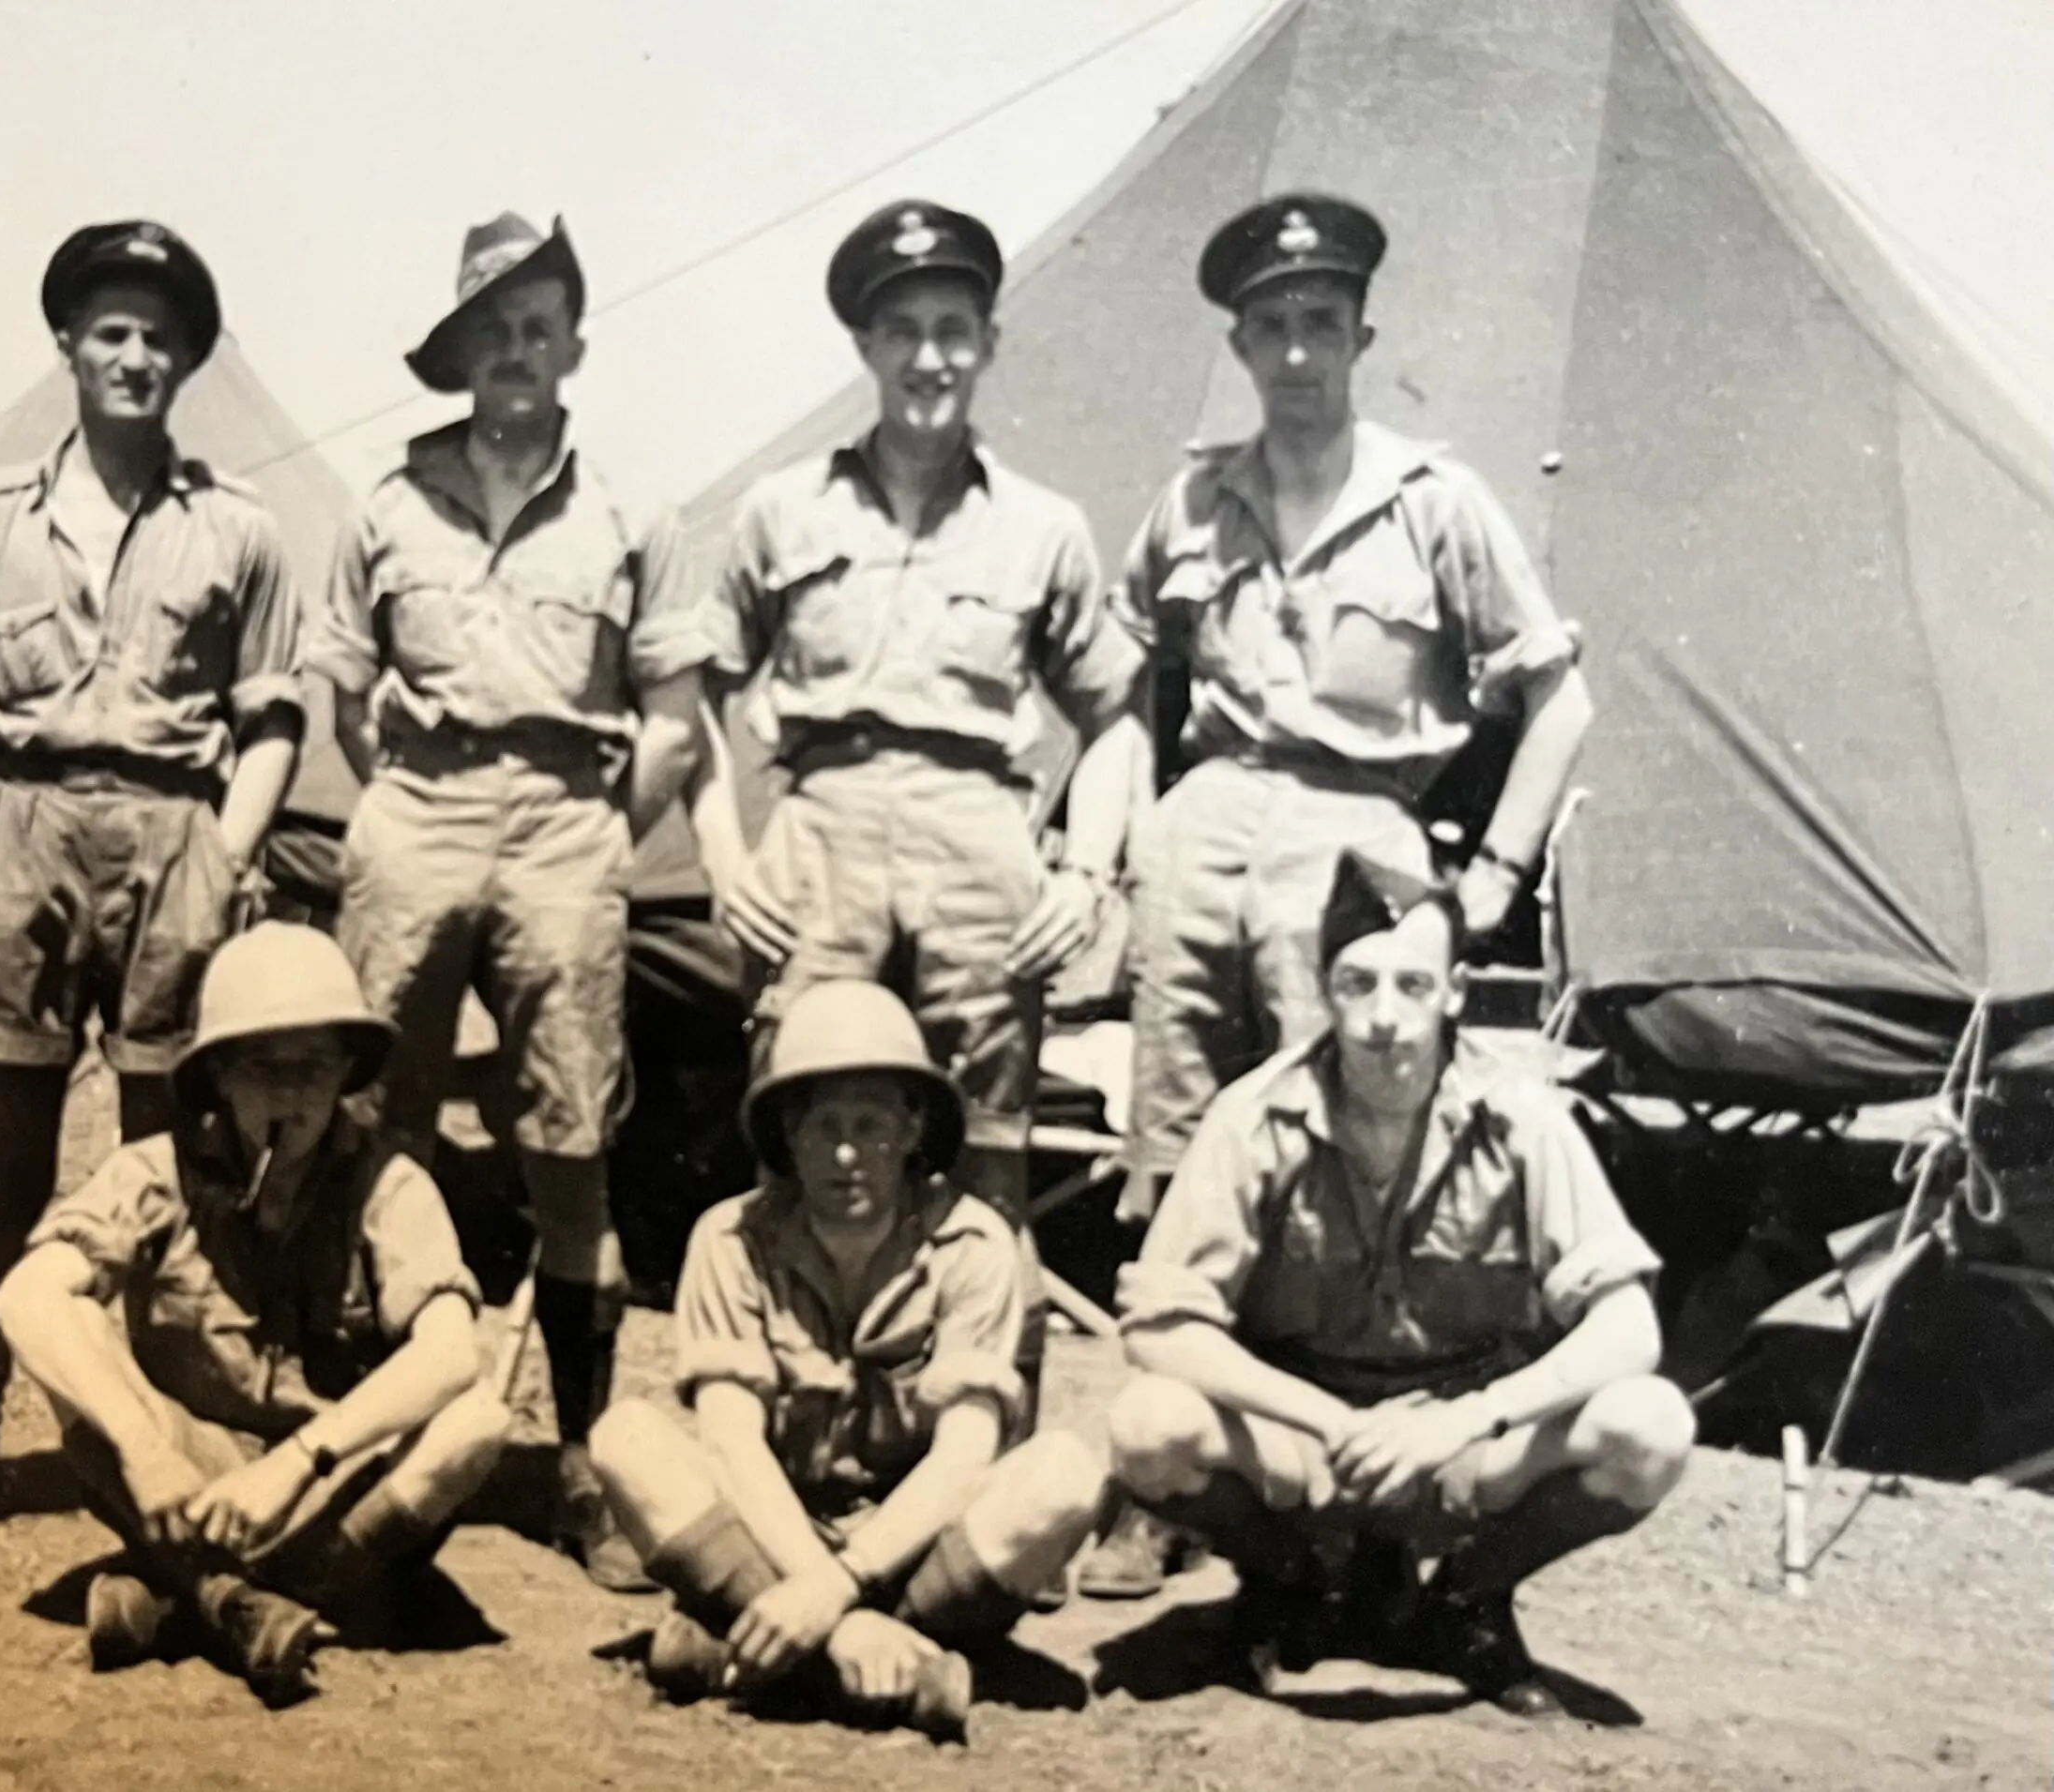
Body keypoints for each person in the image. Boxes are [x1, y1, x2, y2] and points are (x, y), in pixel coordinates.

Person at [1081, 192, 1594, 1598]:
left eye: (1322, 323)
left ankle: (1338, 1493)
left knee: (1343, 1145)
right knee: (1179, 1140)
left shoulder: (1436, 500)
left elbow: (1560, 698)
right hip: (1206, 823)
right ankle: (1165, 1482)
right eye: (1269, 327)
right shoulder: (1195, 497)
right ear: (1238, 342)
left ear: (1362, 334)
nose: (1296, 350)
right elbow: (1125, 690)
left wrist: (1490, 871)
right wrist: (1115, 846)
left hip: (1361, 834)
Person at [0, 221, 305, 1553]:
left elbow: (275, 716)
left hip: (176, 840)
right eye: (111, 330)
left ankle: (149, 1447)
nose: (135, 355)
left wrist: (222, 854)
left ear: (188, 359)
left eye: (160, 337)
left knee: (165, 1174)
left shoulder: (238, 526)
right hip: (25, 834)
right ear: (67, 343)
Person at [306, 213, 711, 1593]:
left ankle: (586, 1458)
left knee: (568, 1131)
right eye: (497, 329)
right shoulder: (386, 503)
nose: (520, 351)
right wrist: (408, 809)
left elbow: (674, 718)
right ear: (462, 352)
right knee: (378, 1120)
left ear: (574, 346)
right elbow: (344, 695)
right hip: (418, 811)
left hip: (565, 826)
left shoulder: (632, 512)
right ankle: (375, 1426)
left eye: (543, 325)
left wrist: (600, 833)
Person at [1105, 852, 1695, 1716]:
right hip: (1304, 1432)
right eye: (1358, 983)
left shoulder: (1523, 1117)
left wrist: (1461, 1420)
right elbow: (1159, 1325)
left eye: (1413, 985)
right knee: (1148, 1425)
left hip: (1464, 1440)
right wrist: (1329, 1422)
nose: (1384, 1017)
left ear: (1455, 990)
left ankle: (1462, 1604)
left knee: (1651, 1427)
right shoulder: (1253, 1114)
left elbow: (1629, 1327)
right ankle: (1290, 1584)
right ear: (1322, 986)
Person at [687, 195, 1145, 1290]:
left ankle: (982, 1433)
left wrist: (1085, 873)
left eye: (953, 330)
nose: (928, 359)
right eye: (903, 333)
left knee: (989, 1155)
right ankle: (792, 1414)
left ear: (988, 343)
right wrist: (722, 858)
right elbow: (698, 697)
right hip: (820, 833)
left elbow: (1118, 714)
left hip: (976, 835)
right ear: (865, 348)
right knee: (795, 1123)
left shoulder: (1044, 526)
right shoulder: (781, 509)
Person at [0, 923, 508, 1707]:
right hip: (187, 1476)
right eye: (268, 1067)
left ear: (347, 1073)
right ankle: (251, 1601)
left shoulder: (388, 1182)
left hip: (329, 1480)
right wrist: (144, 1451)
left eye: (318, 1066)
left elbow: (449, 1352)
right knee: (72, 1336)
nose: (295, 1093)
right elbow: (23, 1296)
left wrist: (298, 1460)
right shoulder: (156, 1171)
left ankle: (197, 1598)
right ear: (220, 1077)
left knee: (476, 1421)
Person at [590, 980, 1105, 1741]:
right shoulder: (730, 1238)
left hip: (913, 1545)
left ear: (913, 1128)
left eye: (870, 1125)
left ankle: (749, 1644)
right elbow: (731, 1440)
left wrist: (838, 1587)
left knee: (1066, 1473)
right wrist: (827, 1602)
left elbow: (966, 1453)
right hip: (772, 1529)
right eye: (822, 1125)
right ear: (787, 1135)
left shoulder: (974, 1242)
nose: (844, 1153)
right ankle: (888, 1663)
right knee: (624, 1436)